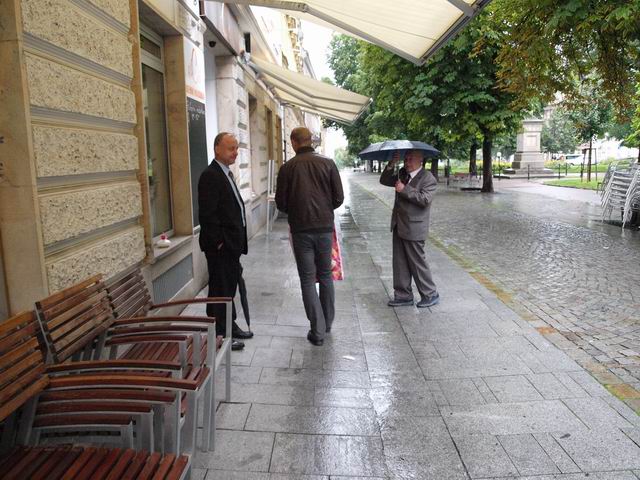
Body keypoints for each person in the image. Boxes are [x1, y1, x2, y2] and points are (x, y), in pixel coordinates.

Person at [275, 127, 344, 346]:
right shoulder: (328, 163)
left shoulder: (287, 168)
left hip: (301, 229)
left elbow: (281, 203)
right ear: (310, 141)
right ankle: (327, 323)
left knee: (307, 278)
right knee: (325, 275)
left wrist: (296, 210)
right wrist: (325, 209)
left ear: (294, 142)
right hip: (324, 228)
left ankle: (317, 330)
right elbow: (339, 197)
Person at [198, 132, 253, 351]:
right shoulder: (210, 175)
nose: (235, 153)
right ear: (217, 149)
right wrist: (220, 243)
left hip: (231, 246)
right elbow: (207, 216)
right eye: (231, 148)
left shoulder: (226, 173)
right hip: (221, 247)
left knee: (229, 288)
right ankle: (221, 334)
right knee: (220, 291)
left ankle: (230, 325)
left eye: (237, 148)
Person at [380, 149, 439, 308]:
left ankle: (430, 294)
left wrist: (404, 189)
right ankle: (403, 295)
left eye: (411, 159)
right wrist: (392, 164)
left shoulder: (428, 178)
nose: (407, 162)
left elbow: (424, 200)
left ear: (421, 160)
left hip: (415, 227)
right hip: (399, 224)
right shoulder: (402, 173)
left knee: (417, 263)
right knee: (399, 262)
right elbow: (384, 180)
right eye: (406, 159)